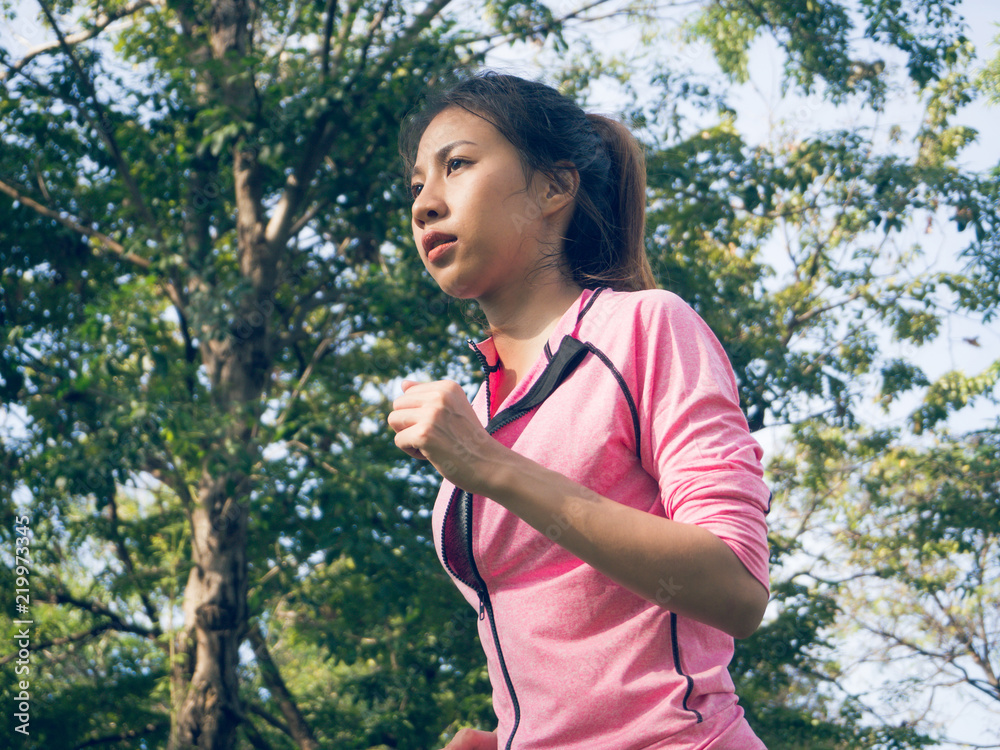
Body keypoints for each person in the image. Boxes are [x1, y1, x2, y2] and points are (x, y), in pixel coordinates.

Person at [388, 71, 771, 750]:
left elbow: (736, 587)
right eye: (417, 185)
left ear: (554, 187)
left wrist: (491, 466)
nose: (424, 204)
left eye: (458, 164)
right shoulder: (483, 410)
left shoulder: (645, 327)